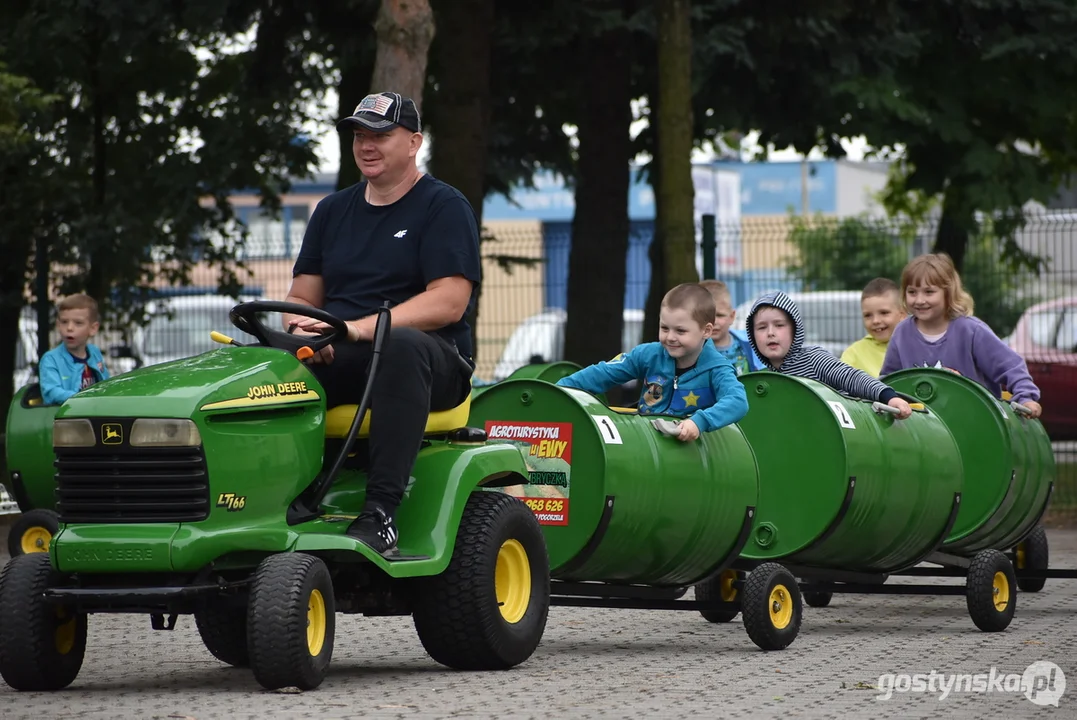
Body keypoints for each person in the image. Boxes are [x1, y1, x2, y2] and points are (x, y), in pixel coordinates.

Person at [282, 91, 482, 554]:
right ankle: (270, 499)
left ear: (413, 142)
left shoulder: (443, 207)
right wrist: (300, 330)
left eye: (380, 135)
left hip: (433, 361)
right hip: (344, 349)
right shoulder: (332, 211)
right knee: (266, 366)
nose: (367, 145)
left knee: (400, 345)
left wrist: (357, 328)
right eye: (359, 135)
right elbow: (300, 298)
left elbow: (449, 302)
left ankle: (381, 513)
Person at [556, 283, 749, 442]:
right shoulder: (649, 354)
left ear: (706, 331)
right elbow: (604, 373)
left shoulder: (717, 368)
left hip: (691, 452)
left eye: (680, 331)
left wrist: (699, 422)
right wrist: (559, 391)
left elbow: (738, 401)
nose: (670, 337)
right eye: (664, 328)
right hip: (646, 442)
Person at [880, 253, 1042, 418]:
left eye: (929, 292)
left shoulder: (971, 330)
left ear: (948, 293)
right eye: (912, 292)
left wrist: (1026, 397)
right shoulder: (902, 333)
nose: (920, 300)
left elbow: (1011, 366)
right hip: (922, 426)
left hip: (974, 420)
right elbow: (889, 379)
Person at [746, 290, 912, 418]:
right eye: (761, 327)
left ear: (794, 329)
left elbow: (852, 377)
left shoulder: (813, 359)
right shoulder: (765, 379)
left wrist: (888, 397)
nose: (770, 333)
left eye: (779, 325)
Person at [39, 293, 111, 406]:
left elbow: (107, 383)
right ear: (58, 325)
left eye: (78, 323)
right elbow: (51, 393)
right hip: (66, 419)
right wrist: (83, 399)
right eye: (64, 322)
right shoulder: (51, 359)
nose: (69, 328)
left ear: (93, 329)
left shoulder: (95, 353)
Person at [840, 277, 907, 378]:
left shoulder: (914, 345)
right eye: (868, 315)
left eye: (884, 313)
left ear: (902, 314)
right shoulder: (853, 354)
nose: (875, 321)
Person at [699, 279, 764, 375]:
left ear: (732, 316)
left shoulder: (750, 344)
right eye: (707, 316)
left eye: (720, 315)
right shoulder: (690, 350)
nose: (713, 322)